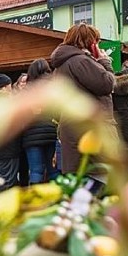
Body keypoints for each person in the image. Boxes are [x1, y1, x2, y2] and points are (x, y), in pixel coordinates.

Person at [49, 23, 116, 174]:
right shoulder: (81, 61)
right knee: (98, 178)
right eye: (97, 42)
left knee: (79, 180)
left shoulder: (61, 65)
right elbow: (107, 84)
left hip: (72, 128)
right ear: (91, 43)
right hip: (90, 129)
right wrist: (105, 62)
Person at [20, 59, 58, 184]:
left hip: (31, 135)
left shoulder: (26, 90)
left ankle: (36, 201)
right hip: (52, 132)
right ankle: (57, 200)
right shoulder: (54, 87)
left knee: (36, 171)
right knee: (54, 171)